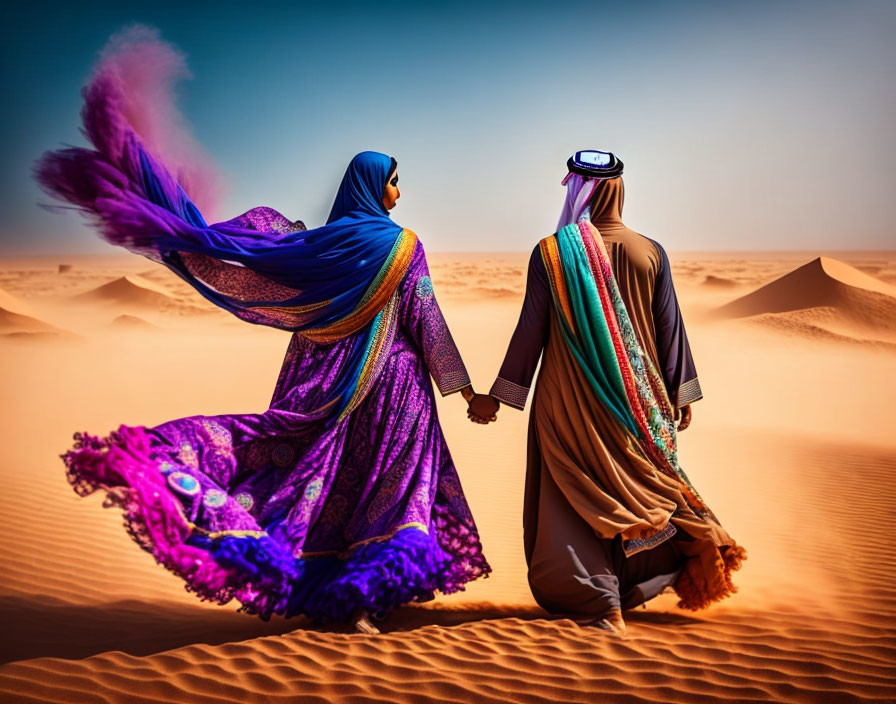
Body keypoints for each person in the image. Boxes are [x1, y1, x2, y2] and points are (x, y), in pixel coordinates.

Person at [35, 62, 490, 634]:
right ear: (376, 186)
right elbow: (426, 318)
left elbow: (258, 273)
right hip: (395, 389)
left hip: (322, 382)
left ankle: (332, 594)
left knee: (316, 475)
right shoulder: (402, 244)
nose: (400, 191)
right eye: (396, 179)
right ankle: (360, 601)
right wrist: (465, 389)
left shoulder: (316, 247)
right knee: (391, 490)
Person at [473, 150, 745, 634]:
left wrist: (500, 395)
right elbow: (671, 332)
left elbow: (530, 331)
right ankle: (659, 573)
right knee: (643, 486)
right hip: (640, 406)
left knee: (570, 503)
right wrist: (680, 394)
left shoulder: (553, 253)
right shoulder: (651, 251)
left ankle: (600, 603)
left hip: (567, 402)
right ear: (618, 189)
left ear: (581, 191)